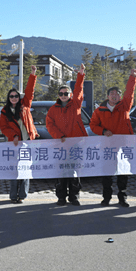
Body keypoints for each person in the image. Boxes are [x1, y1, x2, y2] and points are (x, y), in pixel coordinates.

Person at [90, 68, 136, 207]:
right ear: (107, 96)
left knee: (123, 172)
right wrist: (103, 131)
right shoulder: (99, 110)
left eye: (117, 94)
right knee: (107, 172)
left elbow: (130, 92)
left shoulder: (125, 107)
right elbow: (93, 125)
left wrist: (132, 77)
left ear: (120, 97)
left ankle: (122, 198)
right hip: (107, 145)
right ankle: (106, 197)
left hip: (124, 144)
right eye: (112, 94)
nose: (114, 96)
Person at [46, 63, 88, 206]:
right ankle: (61, 197)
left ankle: (74, 197)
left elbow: (79, 89)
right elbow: (49, 125)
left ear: (70, 95)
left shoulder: (76, 104)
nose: (63, 95)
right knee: (62, 172)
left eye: (66, 93)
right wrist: (59, 136)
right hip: (61, 145)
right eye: (61, 93)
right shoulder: (53, 109)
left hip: (76, 144)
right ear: (58, 95)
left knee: (75, 173)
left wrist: (81, 74)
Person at [0, 65, 39, 203]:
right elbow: (3, 127)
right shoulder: (5, 111)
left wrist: (33, 74)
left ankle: (22, 195)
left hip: (27, 143)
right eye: (11, 96)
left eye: (16, 96)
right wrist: (13, 136)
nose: (14, 98)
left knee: (25, 170)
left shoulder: (25, 105)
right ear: (8, 98)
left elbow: (30, 91)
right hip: (14, 144)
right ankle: (13, 195)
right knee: (14, 170)